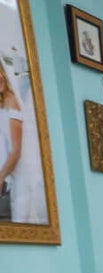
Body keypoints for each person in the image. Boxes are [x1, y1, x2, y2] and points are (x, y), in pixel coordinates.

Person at [0, 64, 45, 224]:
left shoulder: (12, 103)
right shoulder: (3, 105)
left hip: (17, 181)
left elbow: (15, 151)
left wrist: (1, 177)